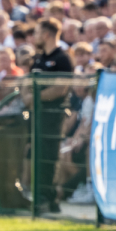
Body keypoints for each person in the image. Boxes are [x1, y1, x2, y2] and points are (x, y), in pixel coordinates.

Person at [29, 19, 74, 214]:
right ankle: (41, 195)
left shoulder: (63, 59)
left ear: (46, 34)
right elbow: (28, 83)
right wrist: (28, 96)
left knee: (49, 156)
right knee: (37, 155)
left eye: (37, 32)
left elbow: (61, 88)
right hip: (37, 114)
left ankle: (48, 198)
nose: (35, 37)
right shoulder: (38, 59)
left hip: (53, 116)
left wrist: (35, 97)